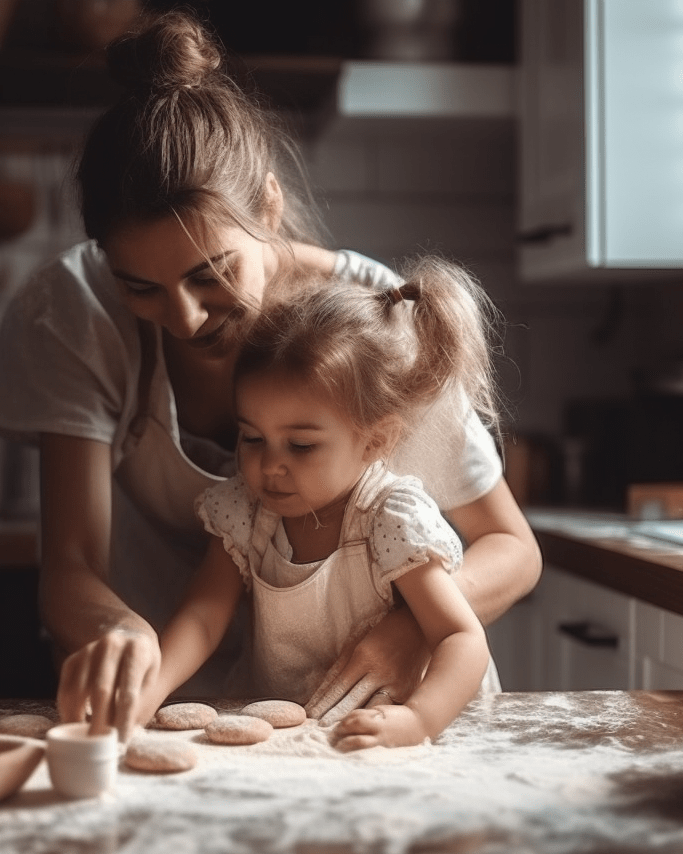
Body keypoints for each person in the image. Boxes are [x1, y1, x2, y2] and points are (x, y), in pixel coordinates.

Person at [0, 10, 541, 741]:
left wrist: (412, 626)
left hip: (387, 706)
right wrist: (123, 635)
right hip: (205, 709)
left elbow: (512, 548)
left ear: (270, 205)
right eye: (140, 287)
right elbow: (71, 566)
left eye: (212, 273)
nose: (185, 319)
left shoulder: (374, 324)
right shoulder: (76, 311)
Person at [138, 259, 502, 749]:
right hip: (305, 734)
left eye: (301, 445)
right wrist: (150, 688)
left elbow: (461, 639)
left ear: (375, 441)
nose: (270, 466)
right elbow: (203, 616)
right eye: (251, 437)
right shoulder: (246, 512)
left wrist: (418, 720)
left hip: (393, 733)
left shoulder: (389, 519)